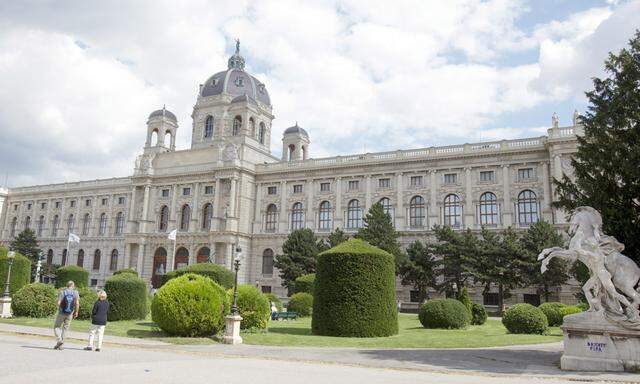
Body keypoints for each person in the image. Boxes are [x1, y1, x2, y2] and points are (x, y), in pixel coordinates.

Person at [53, 280, 79, 350]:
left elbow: (58, 303)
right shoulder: (75, 293)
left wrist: (59, 307)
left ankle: (59, 340)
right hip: (70, 313)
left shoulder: (62, 292)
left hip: (61, 312)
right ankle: (61, 345)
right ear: (73, 286)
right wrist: (76, 312)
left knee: (56, 327)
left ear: (67, 285)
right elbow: (77, 303)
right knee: (65, 328)